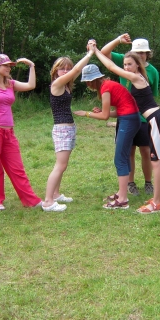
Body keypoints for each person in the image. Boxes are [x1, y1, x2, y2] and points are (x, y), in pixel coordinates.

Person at [93, 44, 160, 214]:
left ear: (137, 64)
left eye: (129, 64)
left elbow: (110, 67)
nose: (126, 67)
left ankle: (156, 204)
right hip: (157, 118)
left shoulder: (136, 77)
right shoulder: (138, 77)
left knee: (156, 161)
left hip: (155, 119)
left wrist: (95, 51)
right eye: (125, 64)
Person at [73, 42, 141, 209]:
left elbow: (104, 117)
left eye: (88, 82)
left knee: (120, 159)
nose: (87, 85)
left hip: (129, 121)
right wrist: (103, 112)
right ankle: (121, 192)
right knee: (124, 156)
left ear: (93, 80)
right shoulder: (107, 85)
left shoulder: (106, 88)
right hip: (129, 118)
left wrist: (87, 114)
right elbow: (117, 111)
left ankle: (122, 200)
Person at [0, 54, 42, 211]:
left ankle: (30, 200)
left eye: (9, 66)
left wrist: (31, 66)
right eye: (5, 65)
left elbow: (31, 85)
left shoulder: (10, 84)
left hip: (9, 132)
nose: (9, 68)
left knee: (17, 167)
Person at [101, 34, 159, 197]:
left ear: (147, 54)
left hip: (142, 118)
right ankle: (130, 183)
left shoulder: (153, 72)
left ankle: (148, 182)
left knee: (146, 151)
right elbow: (104, 53)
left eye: (143, 53)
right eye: (137, 52)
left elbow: (152, 96)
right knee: (128, 151)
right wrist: (118, 40)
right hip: (125, 116)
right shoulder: (126, 62)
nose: (140, 55)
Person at [42, 51, 94, 212]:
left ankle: (56, 194)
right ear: (55, 71)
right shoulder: (57, 84)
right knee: (60, 165)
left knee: (62, 165)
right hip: (62, 129)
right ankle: (48, 201)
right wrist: (90, 53)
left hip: (69, 128)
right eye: (62, 68)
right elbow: (77, 70)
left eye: (68, 68)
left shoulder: (65, 85)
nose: (65, 71)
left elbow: (76, 72)